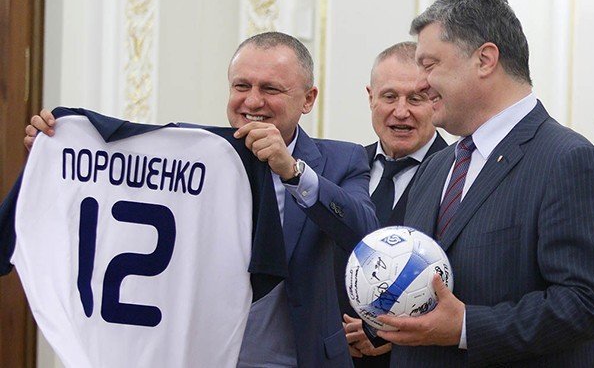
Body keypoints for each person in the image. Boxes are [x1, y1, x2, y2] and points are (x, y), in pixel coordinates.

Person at [24, 32, 379, 367]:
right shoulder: (186, 156)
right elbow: (110, 196)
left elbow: (364, 232)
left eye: (270, 88)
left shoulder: (342, 160)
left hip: (300, 358)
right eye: (241, 86)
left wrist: (295, 173)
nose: (252, 101)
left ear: (308, 99)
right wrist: (54, 155)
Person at [374, 0, 594, 367]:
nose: (420, 83)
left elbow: (590, 301)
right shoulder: (436, 166)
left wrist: (467, 327)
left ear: (485, 60)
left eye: (429, 65)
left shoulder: (567, 160)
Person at [335, 42, 447, 367]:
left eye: (416, 98)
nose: (401, 111)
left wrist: (385, 334)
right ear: (371, 97)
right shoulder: (343, 167)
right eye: (389, 96)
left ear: (436, 100)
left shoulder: (459, 174)